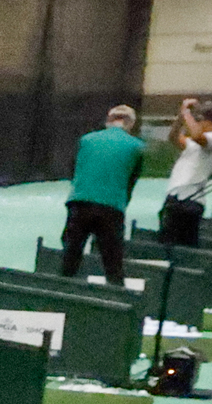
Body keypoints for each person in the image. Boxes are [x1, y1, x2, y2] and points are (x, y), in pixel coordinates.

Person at [60, 105, 144, 285]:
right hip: (112, 207)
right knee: (113, 264)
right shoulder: (137, 146)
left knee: (69, 260)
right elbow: (131, 181)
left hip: (79, 203)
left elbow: (74, 170)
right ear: (131, 124)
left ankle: (60, 298)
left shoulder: (86, 140)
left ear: (108, 121)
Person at [159, 99, 211, 247]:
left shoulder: (209, 139)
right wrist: (181, 116)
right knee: (165, 243)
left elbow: (197, 135)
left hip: (192, 200)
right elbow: (174, 137)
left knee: (185, 247)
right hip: (174, 197)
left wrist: (187, 114)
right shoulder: (193, 142)